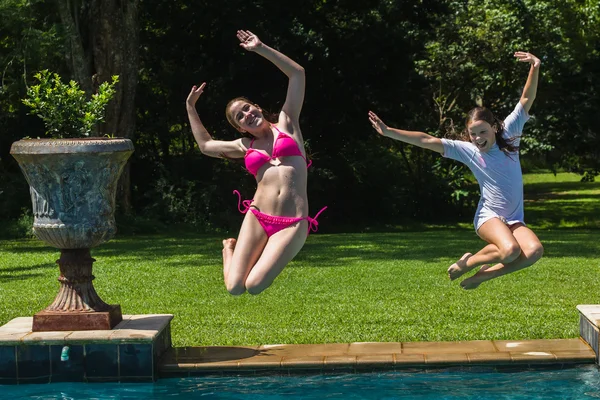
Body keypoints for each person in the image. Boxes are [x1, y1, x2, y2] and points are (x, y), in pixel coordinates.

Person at [368, 51, 543, 290]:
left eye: (483, 131)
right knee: (510, 249)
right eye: (473, 133)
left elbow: (526, 99)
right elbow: (426, 140)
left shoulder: (511, 131)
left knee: (533, 251)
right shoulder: (467, 150)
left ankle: (482, 276)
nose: (478, 138)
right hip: (489, 217)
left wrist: (535, 66)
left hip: (514, 219)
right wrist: (389, 132)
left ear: (493, 127)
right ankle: (467, 263)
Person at [186, 30, 326, 295]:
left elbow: (298, 74)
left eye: (248, 108)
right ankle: (229, 248)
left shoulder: (288, 123)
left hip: (293, 222)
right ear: (240, 128)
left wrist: (261, 48)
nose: (247, 115)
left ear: (258, 107)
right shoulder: (244, 146)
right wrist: (191, 108)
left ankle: (239, 252)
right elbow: (205, 146)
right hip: (258, 216)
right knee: (235, 288)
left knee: (255, 285)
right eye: (240, 117)